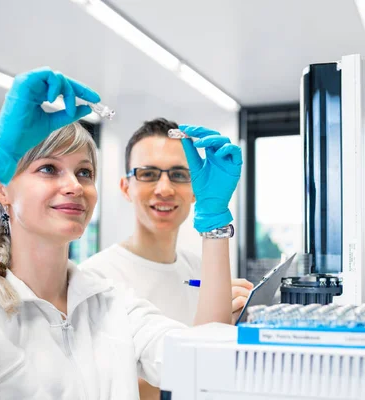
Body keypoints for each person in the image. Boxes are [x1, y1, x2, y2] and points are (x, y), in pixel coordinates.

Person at [0, 68, 235, 399]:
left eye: (85, 172)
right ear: (2, 189)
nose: (75, 185)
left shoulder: (112, 304)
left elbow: (204, 365)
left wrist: (213, 223)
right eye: (48, 169)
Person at [79, 119, 253, 399]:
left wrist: (229, 323)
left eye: (179, 175)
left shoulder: (200, 266)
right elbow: (104, 389)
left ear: (196, 187)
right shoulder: (94, 278)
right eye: (148, 174)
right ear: (126, 187)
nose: (164, 188)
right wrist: (207, 346)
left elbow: (211, 366)